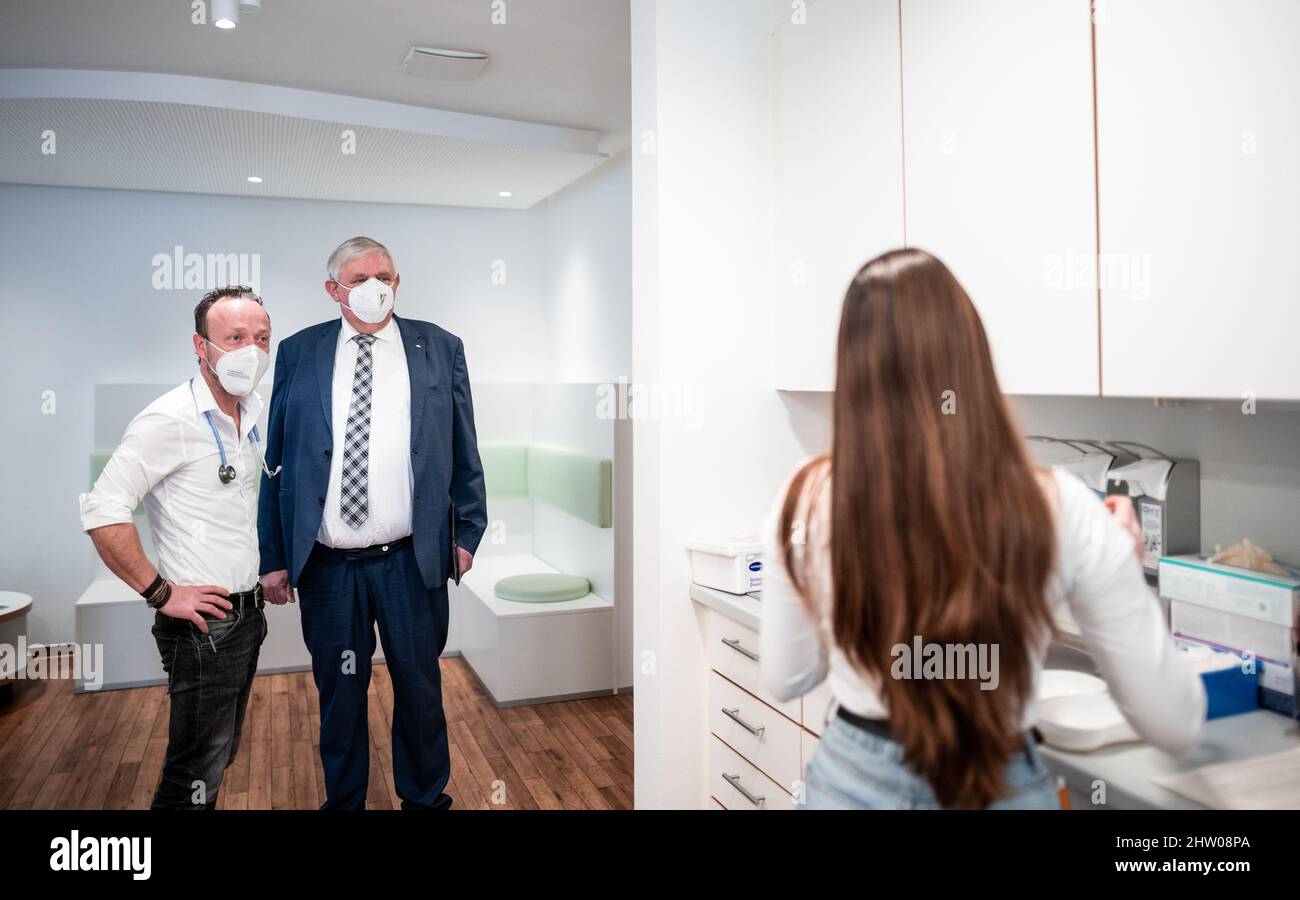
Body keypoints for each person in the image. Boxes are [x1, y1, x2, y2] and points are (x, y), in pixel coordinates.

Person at [759, 248, 1206, 810]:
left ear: (853, 369)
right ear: (972, 359)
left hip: (850, 783)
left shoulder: (805, 499)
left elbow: (786, 677)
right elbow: (1175, 721)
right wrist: (1124, 554)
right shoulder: (1057, 505)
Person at [257, 236, 487, 810]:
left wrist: (467, 532)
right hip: (329, 568)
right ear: (334, 290)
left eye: (383, 275)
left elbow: (464, 449)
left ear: (398, 282)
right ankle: (345, 802)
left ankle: (425, 799)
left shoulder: (439, 347)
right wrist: (273, 554)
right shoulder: (298, 352)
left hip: (411, 562)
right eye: (358, 279)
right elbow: (274, 460)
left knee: (419, 692)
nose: (374, 287)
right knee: (339, 698)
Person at [80, 285, 283, 809]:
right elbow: (103, 511)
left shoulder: (255, 410)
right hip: (202, 629)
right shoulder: (167, 419)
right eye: (234, 337)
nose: (251, 351)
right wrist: (161, 592)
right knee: (193, 773)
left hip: (246, 616)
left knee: (218, 756)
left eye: (261, 338)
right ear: (201, 345)